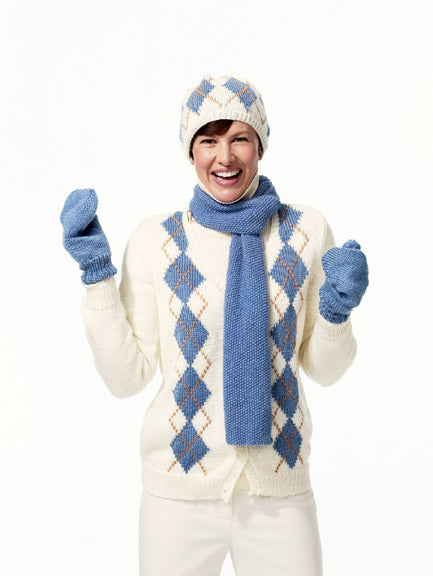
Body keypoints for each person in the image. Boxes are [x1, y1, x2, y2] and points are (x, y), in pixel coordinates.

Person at [60, 75, 369, 576]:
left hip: (279, 487)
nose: (225, 157)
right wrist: (97, 277)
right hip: (178, 492)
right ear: (191, 152)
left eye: (239, 138)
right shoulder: (156, 240)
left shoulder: (305, 231)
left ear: (260, 146)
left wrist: (337, 312)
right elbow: (126, 378)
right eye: (208, 140)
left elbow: (325, 370)